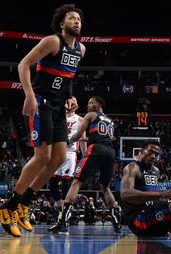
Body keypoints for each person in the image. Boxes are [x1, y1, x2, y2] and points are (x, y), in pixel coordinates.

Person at [0, 4, 84, 237]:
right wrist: (29, 95)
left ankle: (24, 203)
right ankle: (9, 207)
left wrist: (70, 97)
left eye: (79, 19)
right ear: (61, 23)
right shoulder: (53, 42)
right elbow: (23, 64)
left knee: (59, 157)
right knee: (42, 156)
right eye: (71, 18)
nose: (76, 21)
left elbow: (67, 79)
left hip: (58, 107)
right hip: (41, 103)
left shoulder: (80, 50)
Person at [49, 96, 121, 233]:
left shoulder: (91, 115)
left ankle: (63, 219)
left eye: (91, 102)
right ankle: (116, 221)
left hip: (96, 149)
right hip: (110, 151)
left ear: (99, 104)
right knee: (105, 187)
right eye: (87, 103)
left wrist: (67, 141)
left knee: (76, 182)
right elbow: (100, 137)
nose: (88, 105)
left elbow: (78, 135)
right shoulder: (110, 120)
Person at [48, 97, 85, 212]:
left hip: (70, 152)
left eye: (73, 101)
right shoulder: (57, 117)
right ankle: (60, 205)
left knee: (66, 182)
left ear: (76, 104)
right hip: (56, 152)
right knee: (52, 184)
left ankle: (65, 209)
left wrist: (85, 157)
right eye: (68, 101)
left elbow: (83, 139)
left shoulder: (80, 119)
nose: (70, 104)